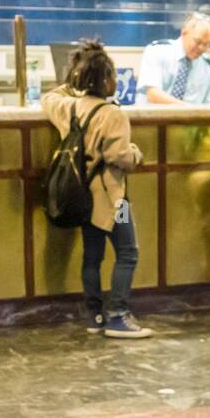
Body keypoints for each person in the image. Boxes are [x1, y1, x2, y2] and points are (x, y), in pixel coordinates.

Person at [42, 39, 152, 339]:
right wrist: (137, 154)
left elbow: (49, 97)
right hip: (112, 198)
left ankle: (95, 315)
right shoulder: (113, 114)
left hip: (83, 196)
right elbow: (120, 157)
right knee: (128, 252)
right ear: (105, 79)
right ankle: (118, 314)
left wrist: (73, 83)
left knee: (93, 256)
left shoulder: (69, 108)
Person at [135, 12, 210, 106]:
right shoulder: (157, 52)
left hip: (193, 120)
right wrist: (189, 110)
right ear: (184, 33)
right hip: (153, 119)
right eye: (198, 42)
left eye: (206, 44)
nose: (201, 48)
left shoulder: (209, 69)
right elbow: (153, 95)